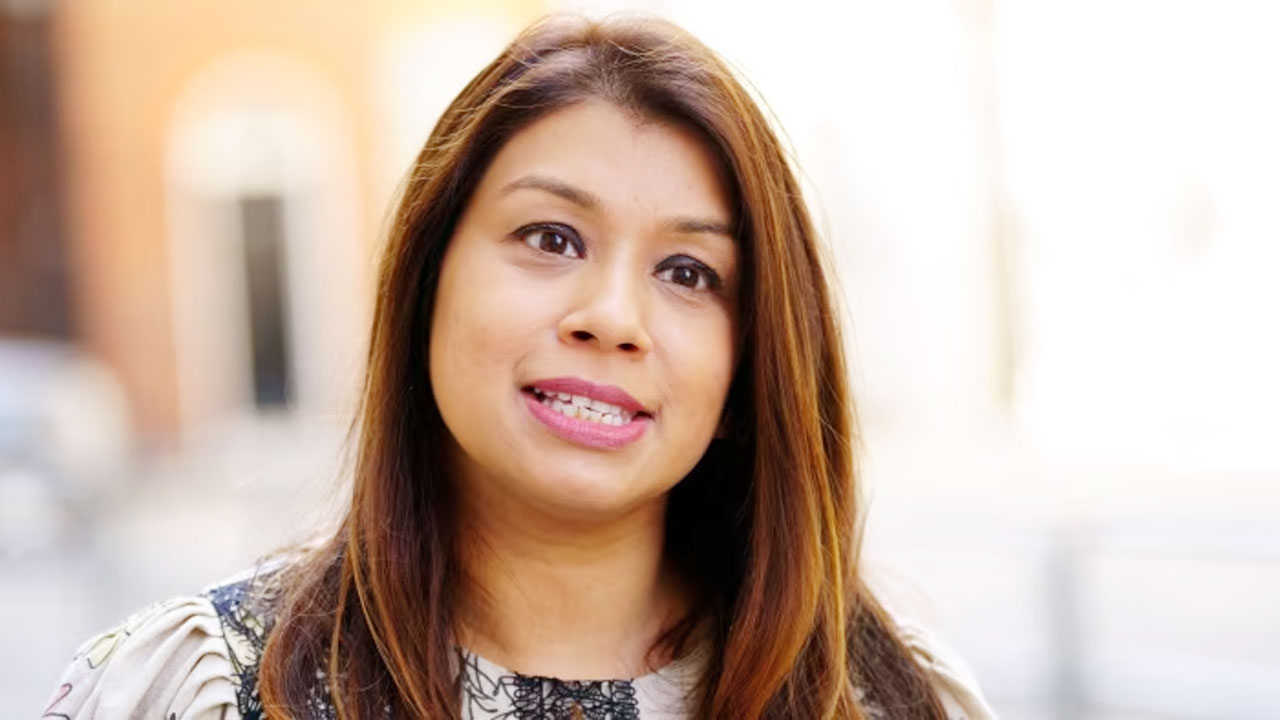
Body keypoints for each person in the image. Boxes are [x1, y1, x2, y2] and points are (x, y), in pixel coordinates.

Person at [44, 14, 994, 720]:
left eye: (688, 272)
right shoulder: (204, 691)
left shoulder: (884, 699)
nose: (612, 318)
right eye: (550, 237)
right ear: (429, 278)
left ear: (752, 360)